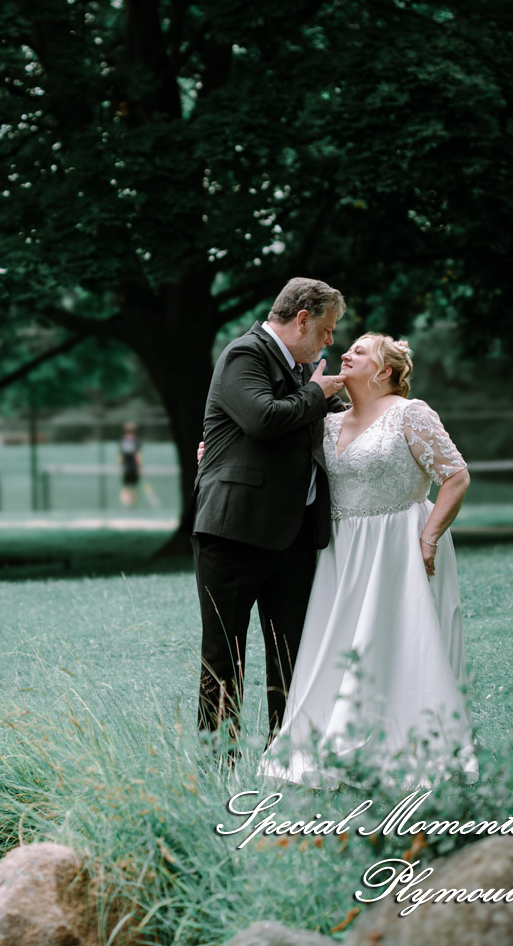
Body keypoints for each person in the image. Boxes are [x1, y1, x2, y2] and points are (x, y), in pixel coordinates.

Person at [257, 333, 475, 788]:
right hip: (341, 549)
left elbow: (455, 477)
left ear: (385, 370)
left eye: (360, 350)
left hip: (398, 545)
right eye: (349, 347)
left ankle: (406, 744)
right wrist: (213, 451)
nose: (346, 352)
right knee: (338, 645)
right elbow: (275, 453)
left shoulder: (410, 414)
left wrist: (430, 537)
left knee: (396, 640)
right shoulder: (327, 420)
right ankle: (332, 740)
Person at [192, 278, 349, 750]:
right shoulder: (245, 355)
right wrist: (316, 393)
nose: (330, 340)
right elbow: (262, 418)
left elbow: (340, 419)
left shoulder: (305, 372)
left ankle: (287, 760)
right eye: (326, 328)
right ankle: (218, 765)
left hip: (294, 536)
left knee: (293, 655)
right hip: (233, 532)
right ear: (302, 319)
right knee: (225, 655)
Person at [119, 422, 142, 508]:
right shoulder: (136, 440)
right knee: (133, 487)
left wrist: (120, 466)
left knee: (125, 487)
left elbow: (121, 456)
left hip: (126, 468)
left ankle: (125, 504)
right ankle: (132, 504)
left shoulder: (123, 440)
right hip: (134, 468)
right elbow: (137, 455)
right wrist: (140, 468)